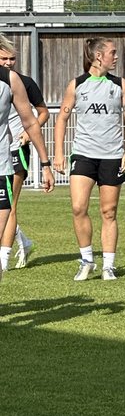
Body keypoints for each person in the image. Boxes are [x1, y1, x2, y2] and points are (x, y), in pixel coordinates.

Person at [53, 37, 125, 281]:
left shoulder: (120, 84)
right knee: (79, 207)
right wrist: (58, 152)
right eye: (112, 52)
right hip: (84, 155)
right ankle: (86, 260)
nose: (116, 56)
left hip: (112, 156)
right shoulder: (77, 85)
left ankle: (108, 265)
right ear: (99, 56)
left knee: (108, 212)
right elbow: (62, 119)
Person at [0, 36, 49, 270]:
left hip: (14, 151)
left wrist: (30, 135)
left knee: (11, 206)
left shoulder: (22, 82)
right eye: (4, 58)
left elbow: (41, 114)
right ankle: (24, 242)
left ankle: (4, 258)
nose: (9, 62)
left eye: (12, 58)